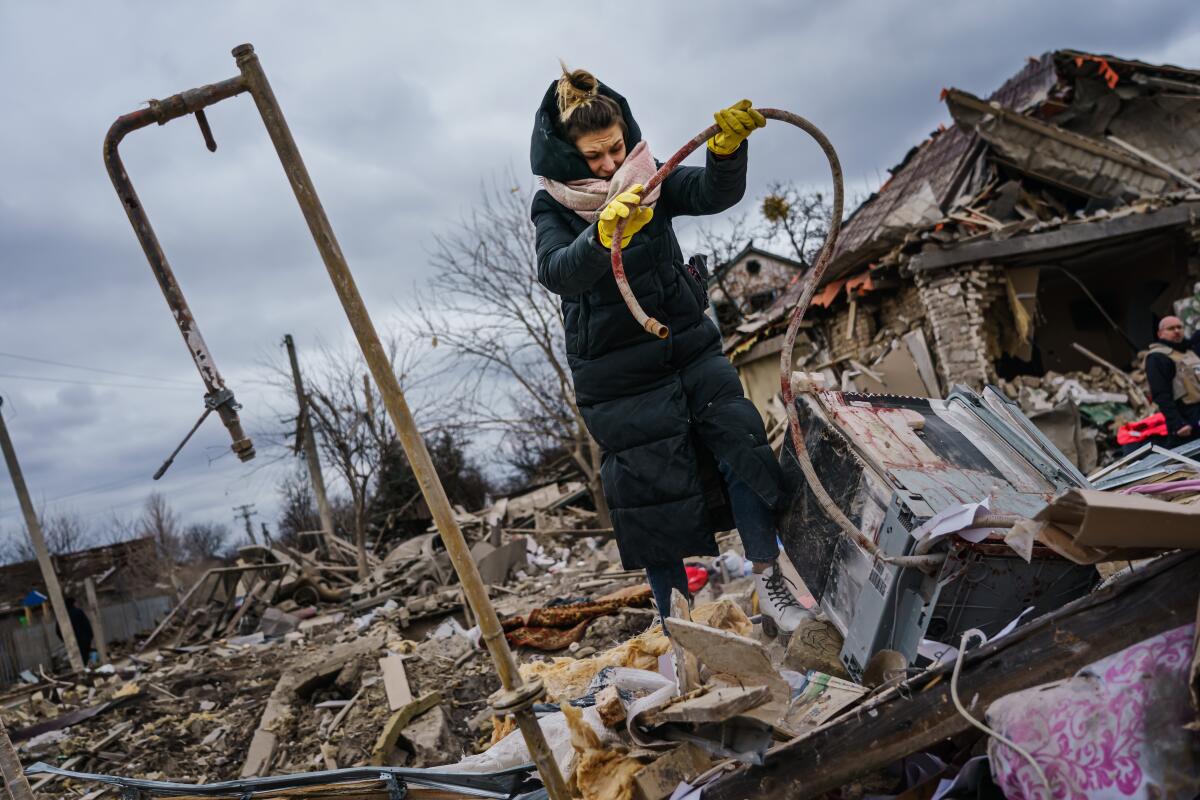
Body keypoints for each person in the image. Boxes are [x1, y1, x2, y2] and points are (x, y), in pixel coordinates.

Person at [530, 65, 807, 634]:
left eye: (615, 148)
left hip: (686, 345)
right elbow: (557, 271)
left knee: (741, 443)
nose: (610, 165)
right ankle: (681, 625)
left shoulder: (649, 179)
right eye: (594, 156)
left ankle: (770, 582)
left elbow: (711, 192)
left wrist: (729, 152)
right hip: (616, 376)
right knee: (647, 496)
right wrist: (600, 233)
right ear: (565, 154)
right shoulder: (552, 206)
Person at [1144, 315, 1200, 447]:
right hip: (1186, 419)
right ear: (1160, 333)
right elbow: (1161, 395)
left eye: (1179, 327)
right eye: (1171, 328)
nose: (1176, 331)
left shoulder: (1189, 352)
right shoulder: (1157, 357)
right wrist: (1177, 423)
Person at [55, 595, 94, 665]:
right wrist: (89, 637)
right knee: (84, 659)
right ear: (73, 603)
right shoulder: (78, 612)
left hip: (71, 642)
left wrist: (65, 640)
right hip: (83, 641)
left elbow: (58, 631)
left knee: (76, 661)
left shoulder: (62, 616)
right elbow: (87, 625)